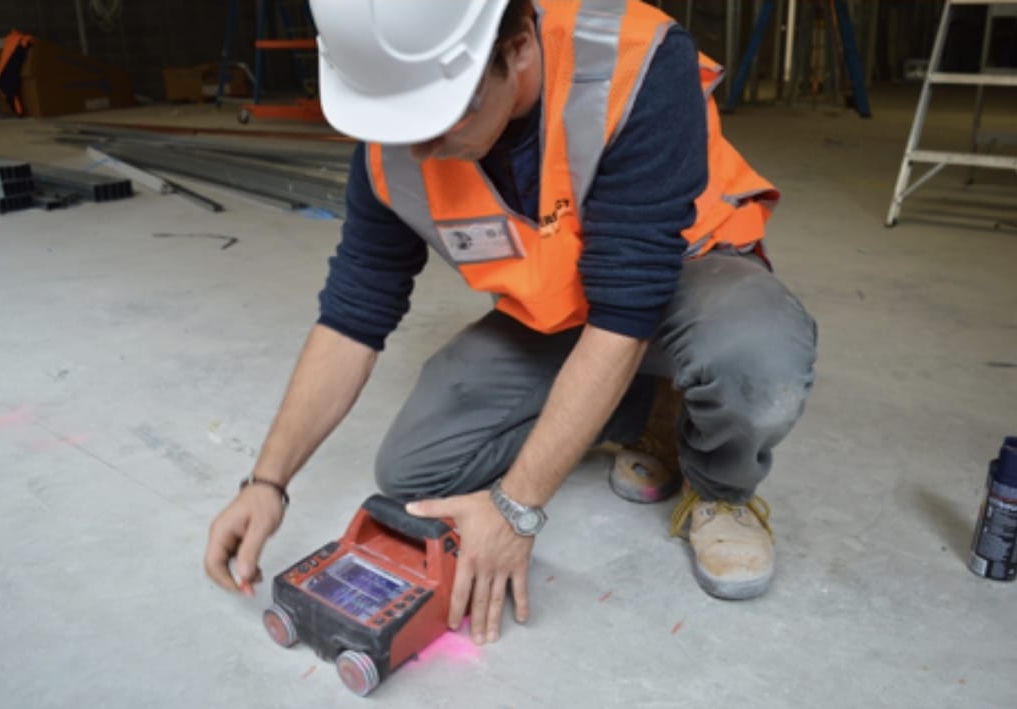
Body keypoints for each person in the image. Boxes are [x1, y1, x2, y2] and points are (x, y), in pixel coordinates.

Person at [205, 0, 817, 648]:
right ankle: (652, 411)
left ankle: (718, 483)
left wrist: (515, 508)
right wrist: (267, 481)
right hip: (561, 311)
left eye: (445, 116)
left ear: (519, 45)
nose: (422, 146)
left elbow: (626, 311)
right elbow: (353, 315)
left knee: (759, 358)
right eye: (401, 121)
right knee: (414, 471)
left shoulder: (632, 63)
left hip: (687, 278)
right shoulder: (397, 135)